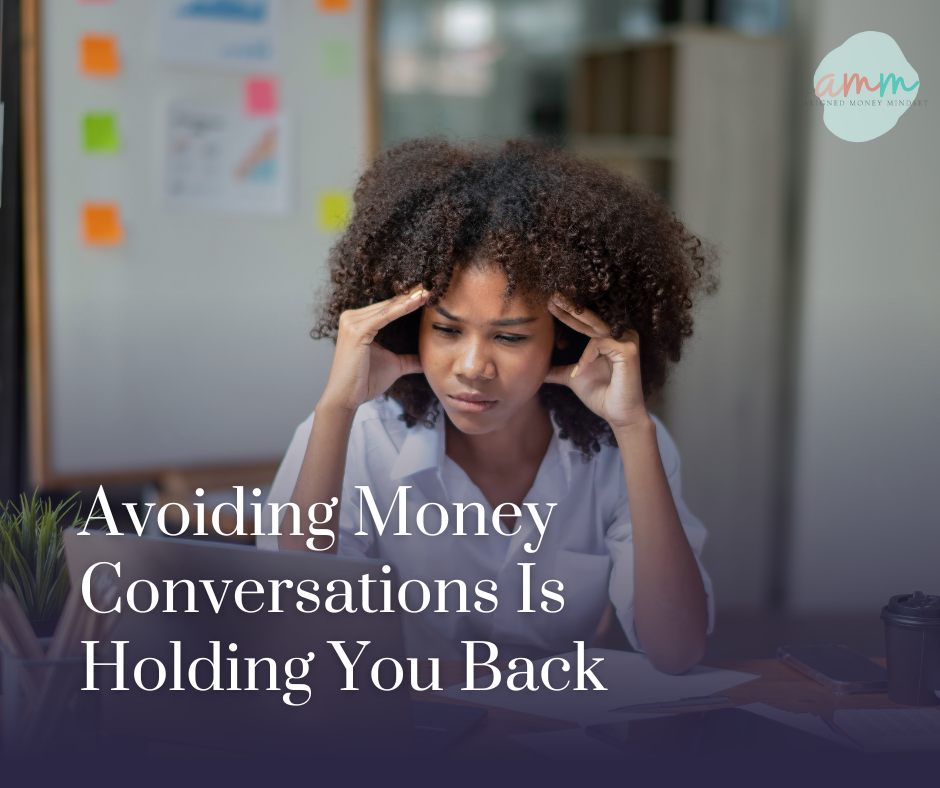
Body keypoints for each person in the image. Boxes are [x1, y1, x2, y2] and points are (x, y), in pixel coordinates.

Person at [260, 138, 716, 674]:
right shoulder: (361, 437)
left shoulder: (624, 446)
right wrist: (336, 408)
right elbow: (295, 631)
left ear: (565, 340)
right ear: (412, 328)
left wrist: (634, 428)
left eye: (510, 338)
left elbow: (678, 649)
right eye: (448, 330)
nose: (473, 366)